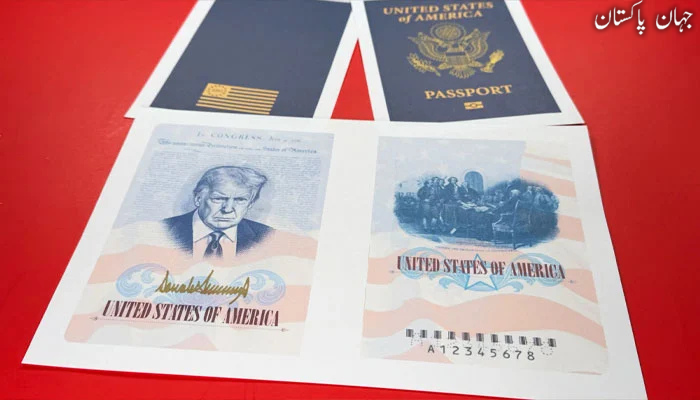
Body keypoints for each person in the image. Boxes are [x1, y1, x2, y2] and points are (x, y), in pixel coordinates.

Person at [162, 166, 273, 258]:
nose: (227, 209)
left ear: (250, 204)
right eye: (219, 198)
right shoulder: (161, 230)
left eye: (240, 200)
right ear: (198, 199)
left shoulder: (268, 237)